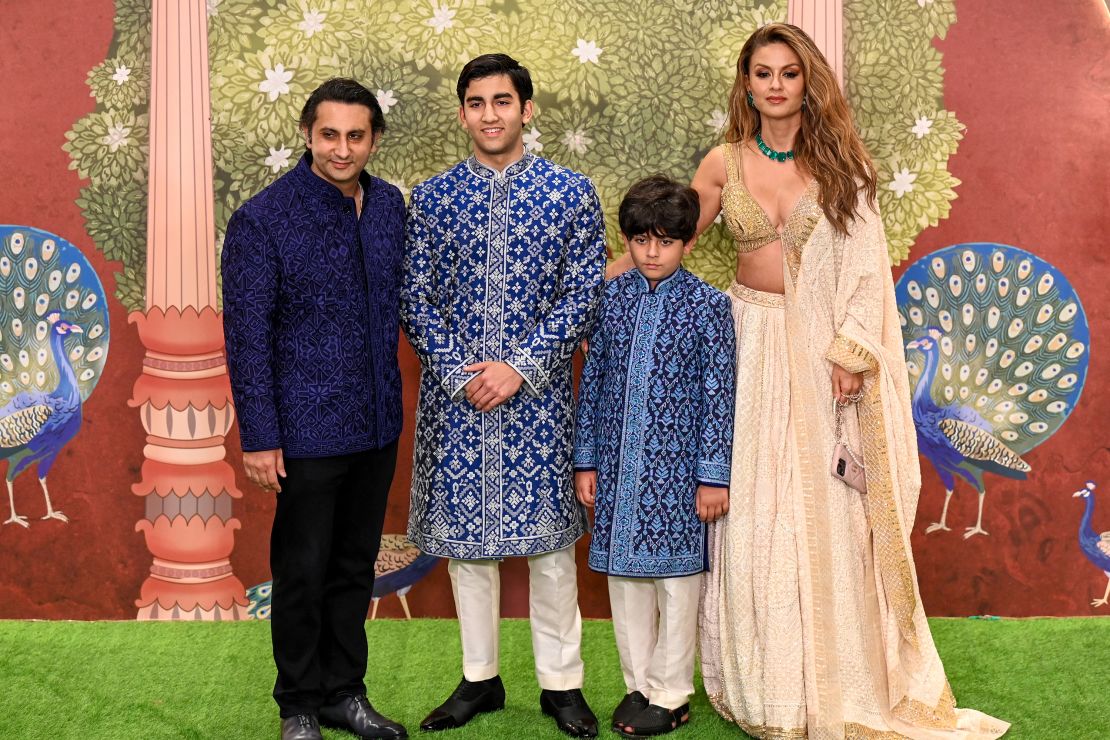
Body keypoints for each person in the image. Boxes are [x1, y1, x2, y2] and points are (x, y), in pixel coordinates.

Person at [680, 23, 1010, 739]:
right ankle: (767, 689)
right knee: (754, 515)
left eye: (788, 73)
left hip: (820, 358)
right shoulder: (722, 162)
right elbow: (668, 243)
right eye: (762, 73)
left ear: (807, 82)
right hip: (745, 348)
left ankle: (836, 681)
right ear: (746, 83)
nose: (774, 85)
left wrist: (851, 353)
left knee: (824, 514)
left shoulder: (840, 163)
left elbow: (866, 271)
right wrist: (594, 288)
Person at [401, 53, 606, 737]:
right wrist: (464, 372)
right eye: (477, 102)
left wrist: (519, 366)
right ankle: (479, 680)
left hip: (538, 399)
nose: (490, 114)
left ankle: (561, 685)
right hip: (459, 403)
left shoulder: (571, 194)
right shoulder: (430, 198)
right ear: (462, 112)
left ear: (527, 108)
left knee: (550, 553)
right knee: (469, 552)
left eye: (502, 101)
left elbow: (582, 294)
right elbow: (416, 299)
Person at [222, 78, 408, 740]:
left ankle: (344, 693)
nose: (342, 148)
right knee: (301, 570)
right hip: (303, 432)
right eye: (329, 134)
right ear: (308, 135)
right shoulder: (263, 221)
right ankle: (298, 704)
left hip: (377, 423)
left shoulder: (389, 208)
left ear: (374, 140)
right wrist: (261, 437)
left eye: (356, 136)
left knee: (355, 567)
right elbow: (246, 337)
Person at [573, 176, 735, 738]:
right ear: (628, 239)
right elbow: (592, 382)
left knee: (677, 584)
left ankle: (671, 692)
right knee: (626, 582)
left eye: (664, 242)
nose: (651, 252)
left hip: (678, 474)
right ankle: (638, 685)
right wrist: (586, 460)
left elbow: (719, 395)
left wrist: (713, 477)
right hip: (618, 469)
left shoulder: (710, 307)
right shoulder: (609, 299)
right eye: (640, 240)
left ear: (688, 243)